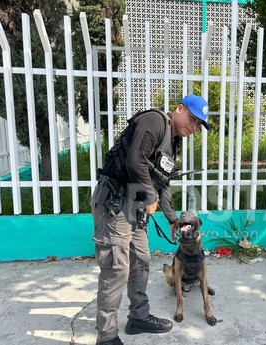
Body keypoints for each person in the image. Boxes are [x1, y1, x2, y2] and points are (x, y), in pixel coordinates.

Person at [91, 94, 210, 345]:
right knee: (116, 270)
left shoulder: (172, 143)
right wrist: (148, 197)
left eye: (198, 124)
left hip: (134, 207)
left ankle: (138, 316)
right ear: (179, 109)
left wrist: (172, 218)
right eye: (192, 118)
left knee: (141, 261)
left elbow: (162, 182)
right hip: (116, 203)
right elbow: (135, 160)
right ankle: (107, 335)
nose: (193, 126)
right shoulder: (155, 121)